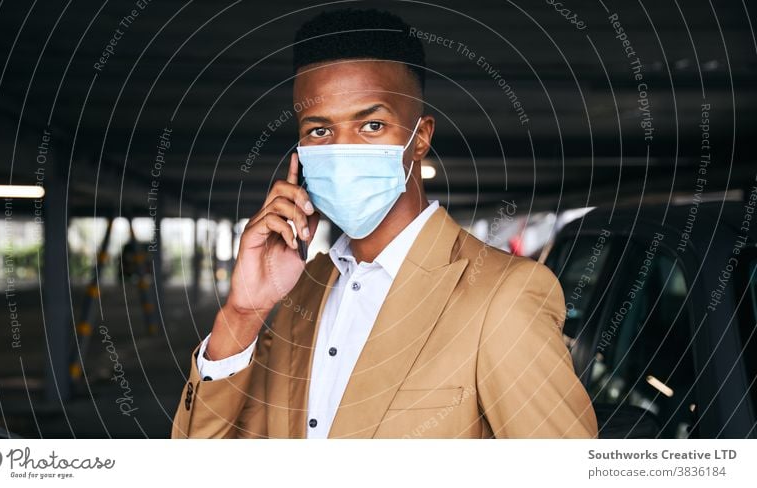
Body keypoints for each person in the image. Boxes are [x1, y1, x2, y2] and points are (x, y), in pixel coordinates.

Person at [171, 8, 597, 439]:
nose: (343, 149)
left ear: (421, 137)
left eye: (372, 125)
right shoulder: (299, 294)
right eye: (319, 132)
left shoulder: (503, 296)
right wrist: (243, 314)